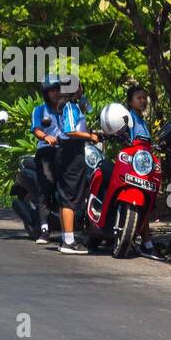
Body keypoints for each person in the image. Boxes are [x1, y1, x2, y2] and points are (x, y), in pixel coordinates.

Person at [54, 78, 101, 255]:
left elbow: (87, 113)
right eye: (80, 85)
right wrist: (90, 136)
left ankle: (66, 237)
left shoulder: (75, 105)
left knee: (67, 195)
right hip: (70, 152)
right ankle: (69, 241)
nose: (82, 88)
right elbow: (70, 130)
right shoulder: (69, 107)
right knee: (69, 196)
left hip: (73, 151)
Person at [29, 75, 67, 244]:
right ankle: (44, 229)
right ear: (46, 93)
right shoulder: (39, 110)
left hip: (65, 152)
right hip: (46, 152)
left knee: (67, 188)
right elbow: (36, 129)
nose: (55, 93)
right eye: (51, 90)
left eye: (57, 89)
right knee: (47, 185)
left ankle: (70, 229)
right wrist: (45, 137)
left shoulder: (67, 109)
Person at [125, 84, 160, 257]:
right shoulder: (128, 119)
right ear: (130, 101)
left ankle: (146, 242)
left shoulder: (143, 123)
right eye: (139, 98)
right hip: (131, 167)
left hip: (144, 168)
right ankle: (146, 243)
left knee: (146, 205)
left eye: (144, 97)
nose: (143, 101)